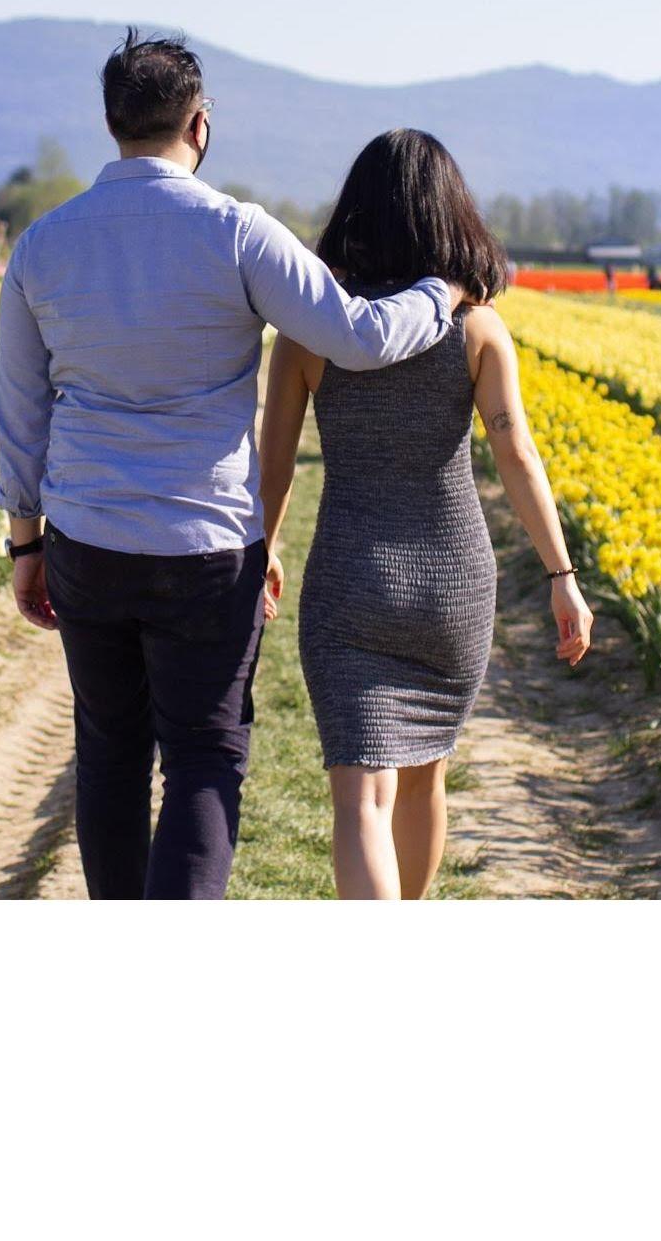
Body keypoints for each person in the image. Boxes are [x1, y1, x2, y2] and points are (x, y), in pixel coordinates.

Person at [0, 32, 464, 900]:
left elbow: (20, 414)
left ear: (111, 123)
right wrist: (443, 290)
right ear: (199, 125)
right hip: (205, 545)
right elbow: (358, 338)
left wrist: (26, 544)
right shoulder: (237, 233)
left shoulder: (42, 246)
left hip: (87, 536)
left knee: (108, 752)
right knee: (204, 759)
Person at [259, 130, 595, 901]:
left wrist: (263, 550)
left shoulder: (313, 334)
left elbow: (273, 464)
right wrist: (562, 576)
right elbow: (516, 455)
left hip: (351, 583)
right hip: (454, 586)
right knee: (423, 781)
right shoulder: (479, 330)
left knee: (360, 799)